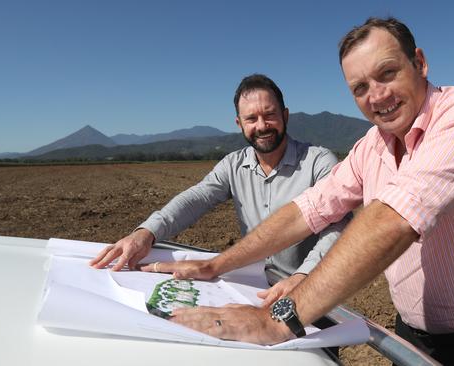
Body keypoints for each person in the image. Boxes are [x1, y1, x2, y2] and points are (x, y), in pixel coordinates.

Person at [154, 17, 454, 365]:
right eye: (360, 87)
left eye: (387, 73)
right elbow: (308, 210)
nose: (377, 96)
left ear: (420, 63)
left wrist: (276, 320)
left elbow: (393, 219)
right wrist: (216, 265)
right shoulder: (371, 146)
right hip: (411, 336)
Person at [90, 73, 349, 306]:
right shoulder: (233, 165)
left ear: (285, 115)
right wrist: (146, 233)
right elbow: (196, 198)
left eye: (270, 114)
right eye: (251, 118)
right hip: (251, 289)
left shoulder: (318, 162)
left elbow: (338, 227)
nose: (262, 125)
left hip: (310, 292)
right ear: (239, 123)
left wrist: (304, 277)